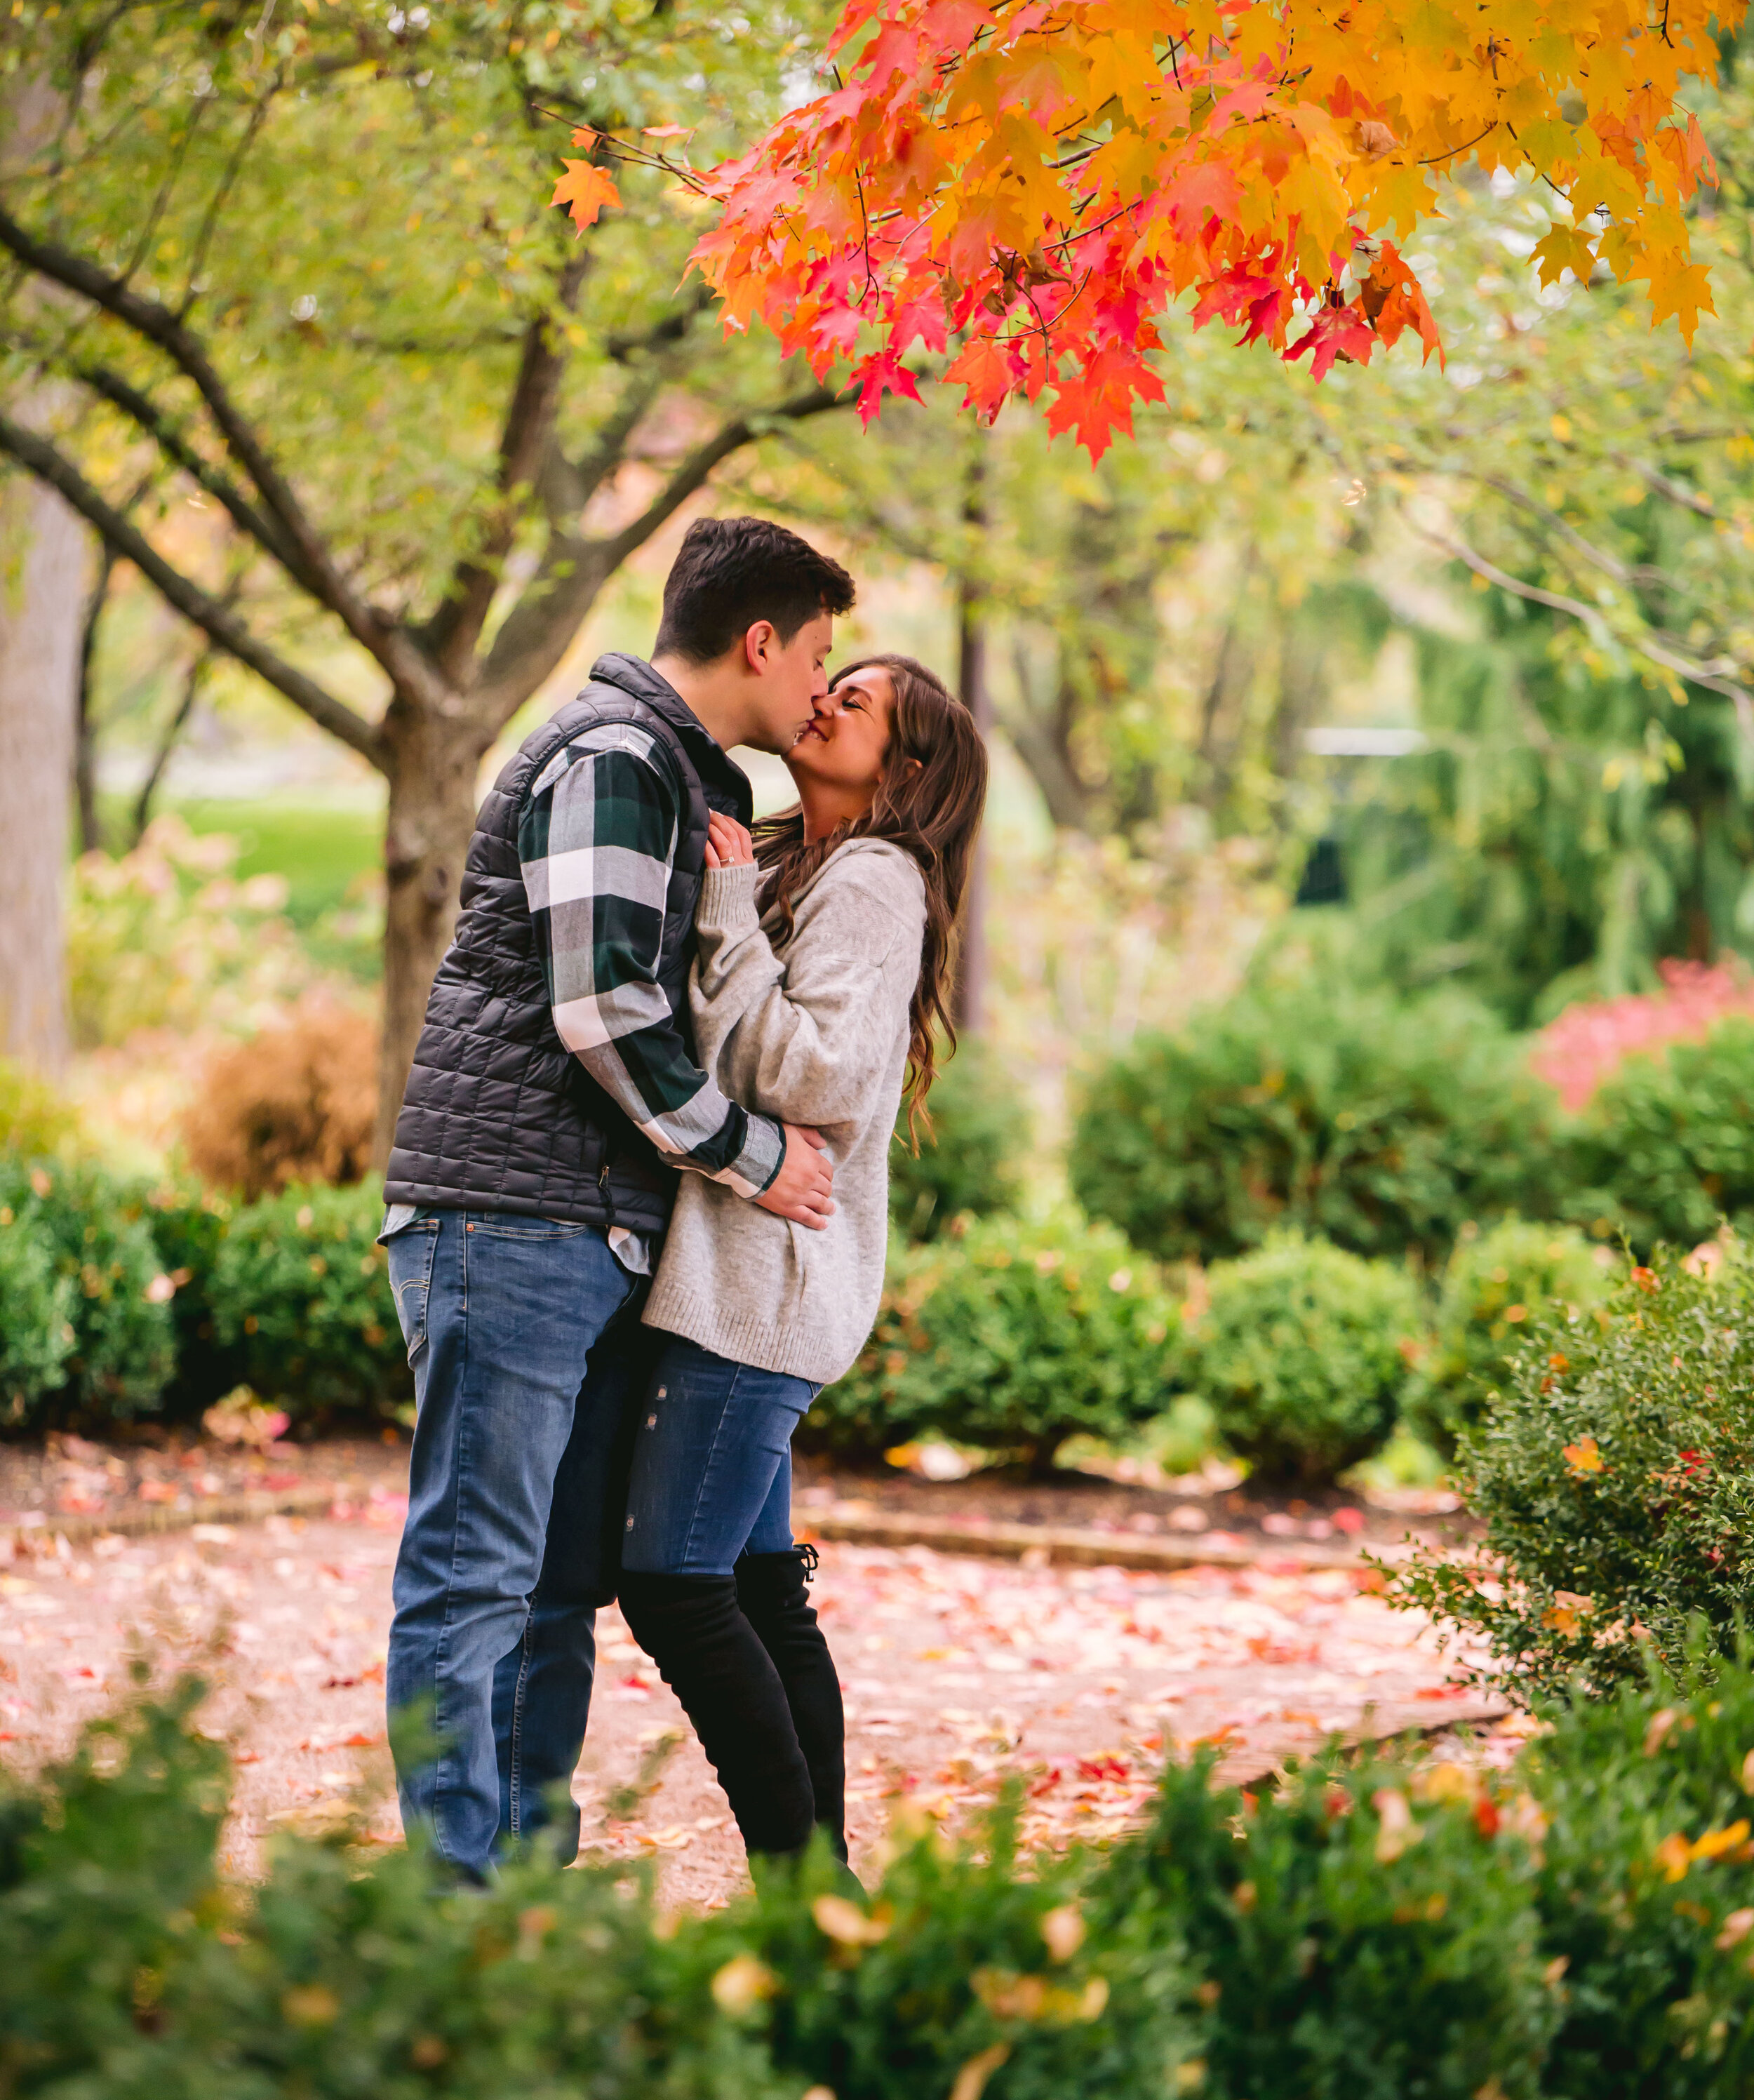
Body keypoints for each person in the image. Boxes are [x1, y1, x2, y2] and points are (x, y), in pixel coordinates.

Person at [379, 517, 855, 1883]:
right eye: (815, 657)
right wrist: (758, 1158)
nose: (821, 693)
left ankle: (520, 1878)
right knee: (479, 1570)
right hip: (508, 1219)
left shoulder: (668, 771)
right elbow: (601, 1008)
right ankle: (455, 1901)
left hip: (575, 1228)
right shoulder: (614, 757)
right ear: (756, 642)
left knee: (549, 1585)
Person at [615, 653, 989, 1873]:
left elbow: (817, 1076)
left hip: (760, 1287)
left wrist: (724, 920)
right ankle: (823, 1898)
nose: (824, 697)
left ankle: (801, 1885)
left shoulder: (877, 879)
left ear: (908, 766)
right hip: (747, 1269)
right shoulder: (792, 856)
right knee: (764, 1588)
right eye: (835, 678)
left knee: (675, 1583)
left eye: (859, 701)